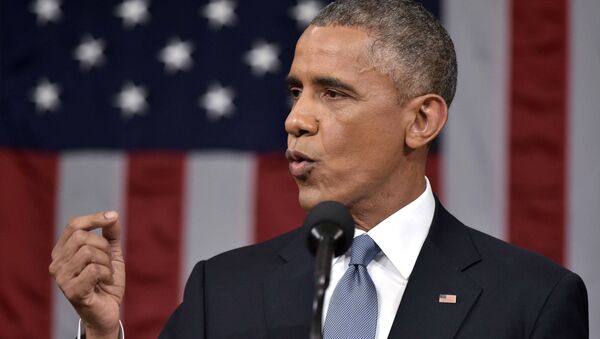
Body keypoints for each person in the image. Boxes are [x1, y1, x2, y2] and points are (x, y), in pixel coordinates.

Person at [49, 0, 589, 338]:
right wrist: (101, 333)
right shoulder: (225, 289)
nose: (296, 120)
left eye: (333, 93)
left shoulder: (530, 301)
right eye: (295, 92)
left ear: (422, 119)